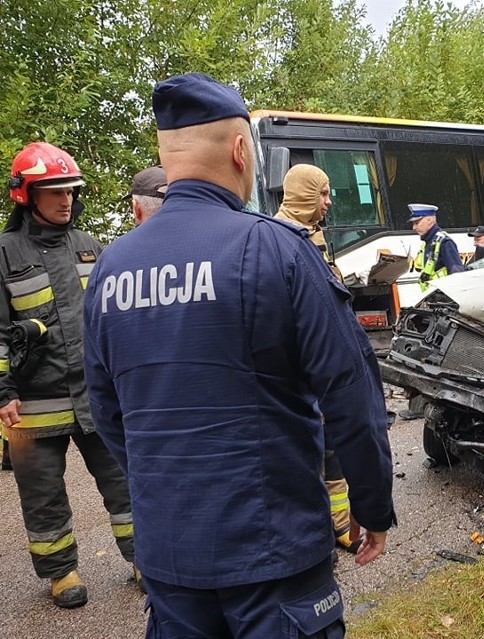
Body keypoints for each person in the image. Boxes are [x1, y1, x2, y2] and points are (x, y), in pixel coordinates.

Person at [83, 72, 395, 638]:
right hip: (274, 555)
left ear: (167, 155)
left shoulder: (109, 268)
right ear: (239, 148)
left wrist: (166, 484)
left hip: (171, 557)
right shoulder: (279, 251)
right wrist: (372, 508)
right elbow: (352, 394)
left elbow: (105, 409)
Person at [0, 142, 137, 608]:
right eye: (54, 192)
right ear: (26, 196)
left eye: (71, 192)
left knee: (123, 478)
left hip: (97, 393)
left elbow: (116, 317)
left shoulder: (90, 248)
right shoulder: (4, 254)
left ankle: (143, 559)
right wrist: (3, 390)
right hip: (34, 401)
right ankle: (61, 573)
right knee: (42, 493)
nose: (66, 201)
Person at [275, 163, 360, 554]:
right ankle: (314, 533)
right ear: (302, 194)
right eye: (321, 194)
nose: (327, 203)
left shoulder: (315, 237)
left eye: (327, 194)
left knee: (334, 451)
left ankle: (340, 523)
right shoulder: (280, 238)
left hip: (324, 370)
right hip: (300, 375)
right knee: (307, 455)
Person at [409, 203, 464, 291]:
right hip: (434, 296)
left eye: (417, 223)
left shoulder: (445, 242)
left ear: (430, 220)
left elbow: (457, 274)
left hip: (445, 297)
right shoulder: (428, 242)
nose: (414, 227)